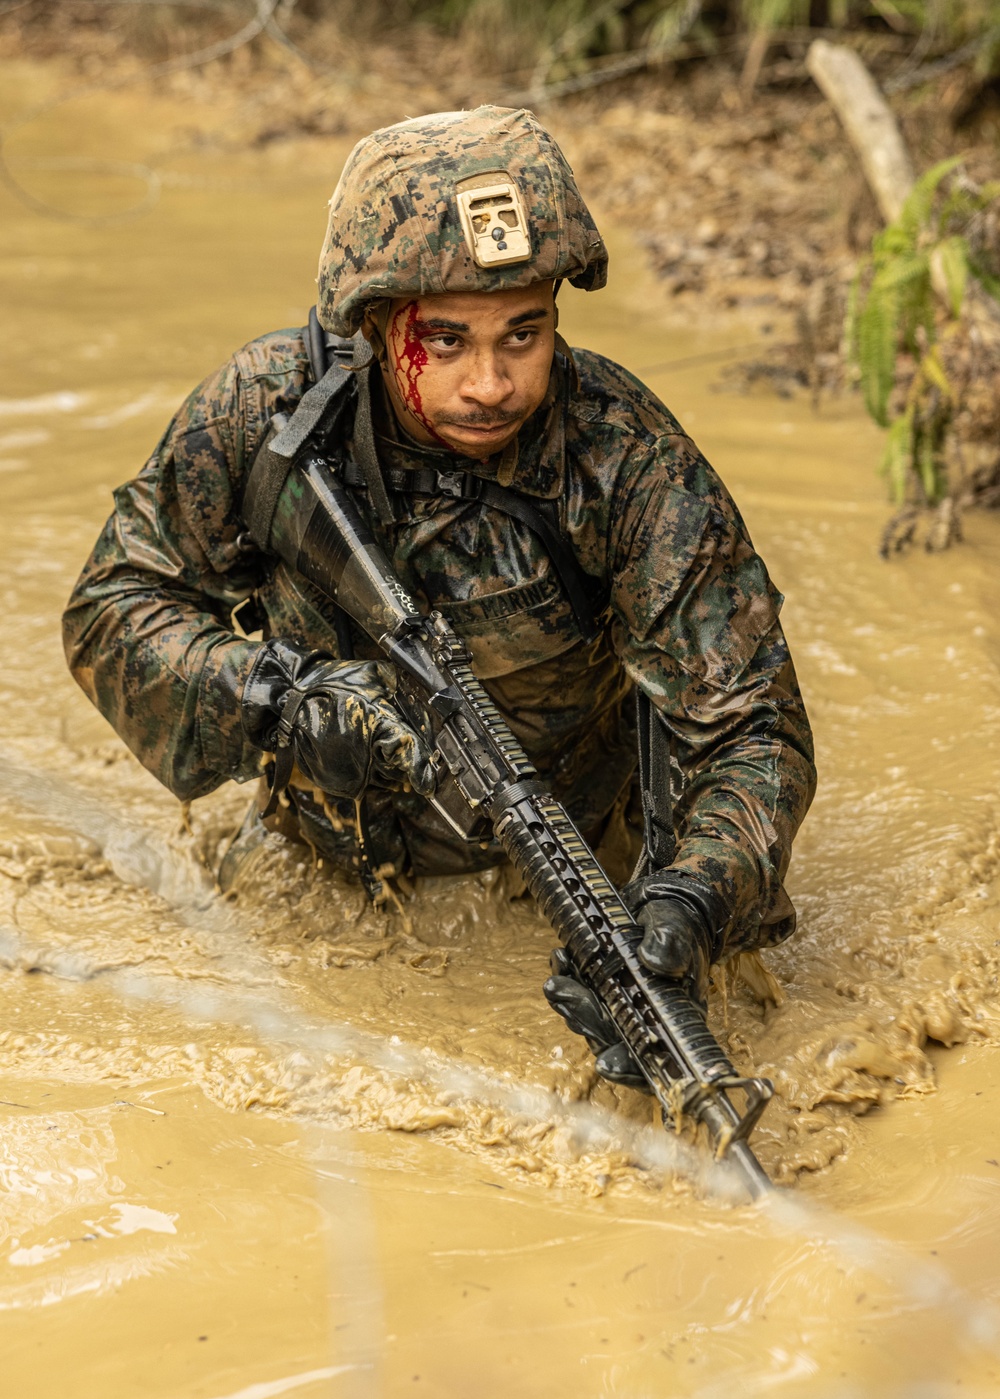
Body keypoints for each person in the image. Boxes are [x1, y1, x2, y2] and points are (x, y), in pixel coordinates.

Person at [62, 106, 816, 1088]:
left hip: (573, 849)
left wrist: (690, 899)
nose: (490, 383)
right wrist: (280, 702)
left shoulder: (622, 453)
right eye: (446, 340)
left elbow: (750, 724)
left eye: (524, 335)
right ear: (374, 325)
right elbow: (111, 606)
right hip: (324, 869)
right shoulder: (264, 412)